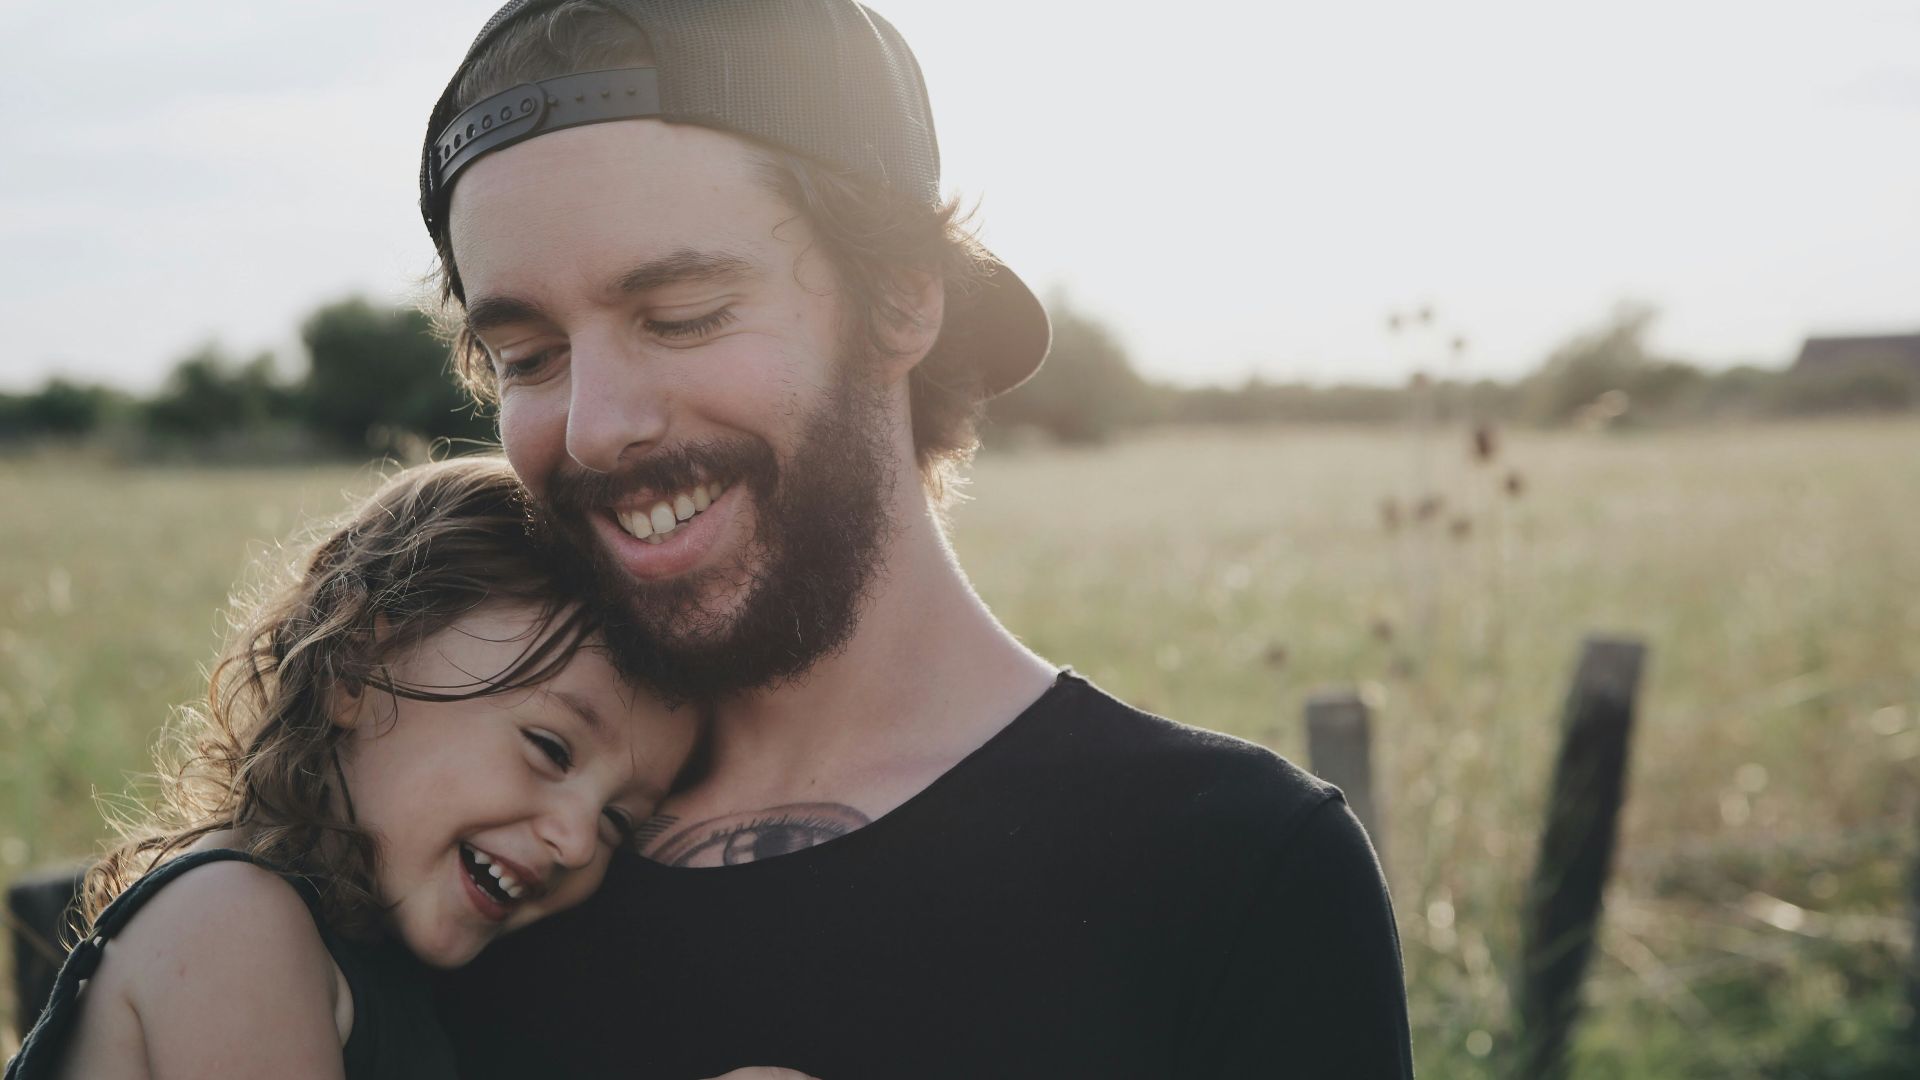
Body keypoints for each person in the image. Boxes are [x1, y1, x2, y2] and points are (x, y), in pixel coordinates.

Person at [424, 2, 1416, 1077]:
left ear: (900, 305)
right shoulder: (465, 856)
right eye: (528, 357)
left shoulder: (1233, 871)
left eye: (683, 314)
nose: (595, 427)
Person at [3, 459, 800, 1080]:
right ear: (356, 666)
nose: (576, 839)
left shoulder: (382, 971)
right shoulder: (232, 922)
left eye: (619, 820)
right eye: (550, 749)